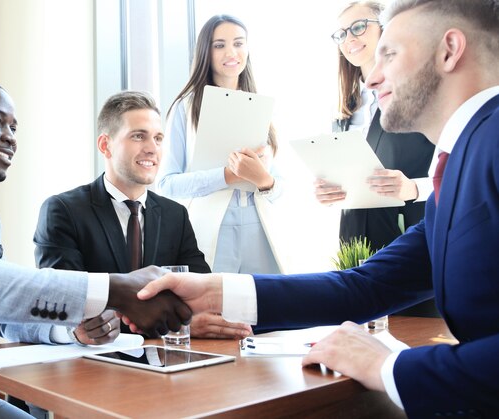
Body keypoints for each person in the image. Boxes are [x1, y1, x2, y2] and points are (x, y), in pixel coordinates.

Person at [135, 0, 499, 416]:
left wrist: (389, 367)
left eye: (389, 54)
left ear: (449, 50)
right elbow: (367, 287)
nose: (374, 76)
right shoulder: (458, 167)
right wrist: (220, 292)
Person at [0, 79, 191, 418]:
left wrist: (73, 329)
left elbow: (2, 314)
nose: (10, 136)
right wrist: (112, 288)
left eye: (13, 126)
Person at [33, 90, 251, 339]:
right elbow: (71, 307)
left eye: (158, 139)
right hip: (95, 363)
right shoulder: (63, 211)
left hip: (168, 364)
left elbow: (202, 293)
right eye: (138, 136)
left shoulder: (175, 215)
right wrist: (181, 324)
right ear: (106, 145)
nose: (152, 149)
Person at [320, 1, 438, 317]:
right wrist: (329, 191)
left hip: (409, 234)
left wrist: (412, 188)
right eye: (341, 33)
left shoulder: (417, 94)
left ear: (384, 27)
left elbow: (451, 171)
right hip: (356, 235)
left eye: (359, 26)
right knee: (360, 321)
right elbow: (352, 176)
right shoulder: (347, 106)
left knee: (414, 330)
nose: (350, 38)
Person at [157, 14, 290, 274]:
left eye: (239, 43)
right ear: (206, 51)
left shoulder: (261, 106)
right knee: (214, 310)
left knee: (267, 309)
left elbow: (281, 187)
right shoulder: (186, 107)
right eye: (219, 45)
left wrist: (264, 180)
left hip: (261, 228)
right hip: (209, 228)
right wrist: (227, 176)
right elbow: (167, 185)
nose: (231, 52)